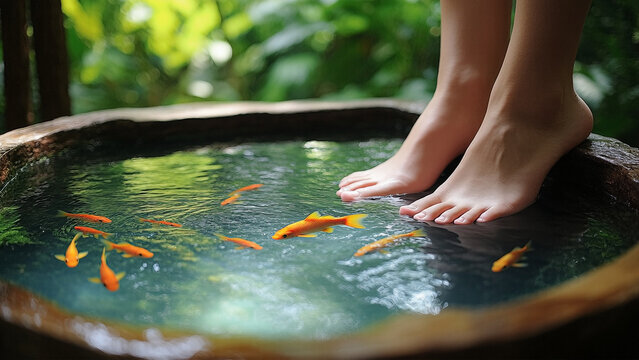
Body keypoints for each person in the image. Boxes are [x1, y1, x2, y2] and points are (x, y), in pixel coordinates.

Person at [337, 0, 593, 225]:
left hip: (536, 106)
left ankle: (536, 102)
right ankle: (467, 96)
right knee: (468, 80)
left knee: (536, 84)